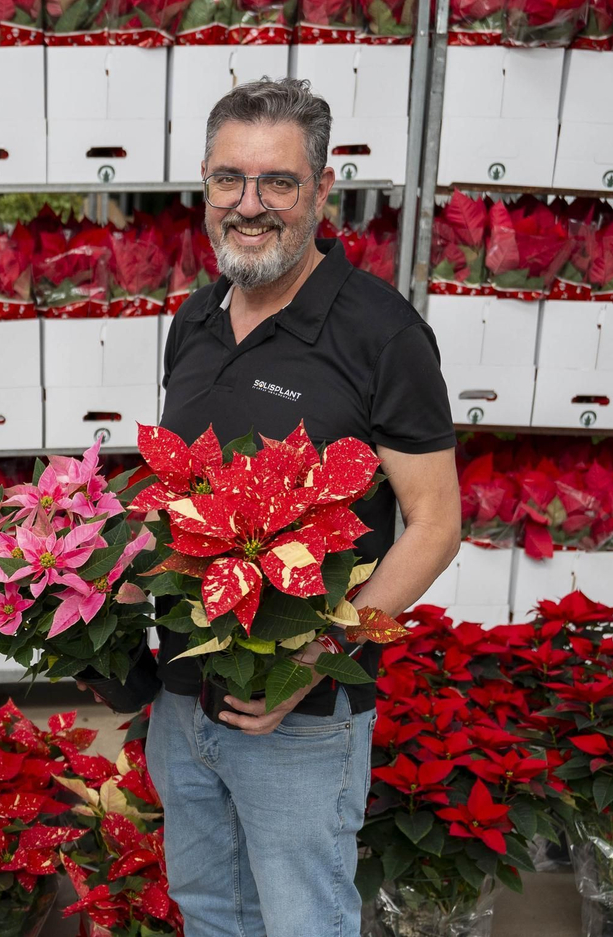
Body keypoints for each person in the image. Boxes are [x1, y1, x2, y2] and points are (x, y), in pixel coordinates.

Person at [146, 78, 462, 937]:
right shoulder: (196, 317)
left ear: (323, 192)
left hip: (305, 716)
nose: (250, 207)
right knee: (209, 910)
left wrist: (315, 659)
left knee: (302, 923)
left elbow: (436, 523)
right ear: (204, 187)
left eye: (278, 183)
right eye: (228, 181)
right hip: (183, 697)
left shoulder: (382, 335)